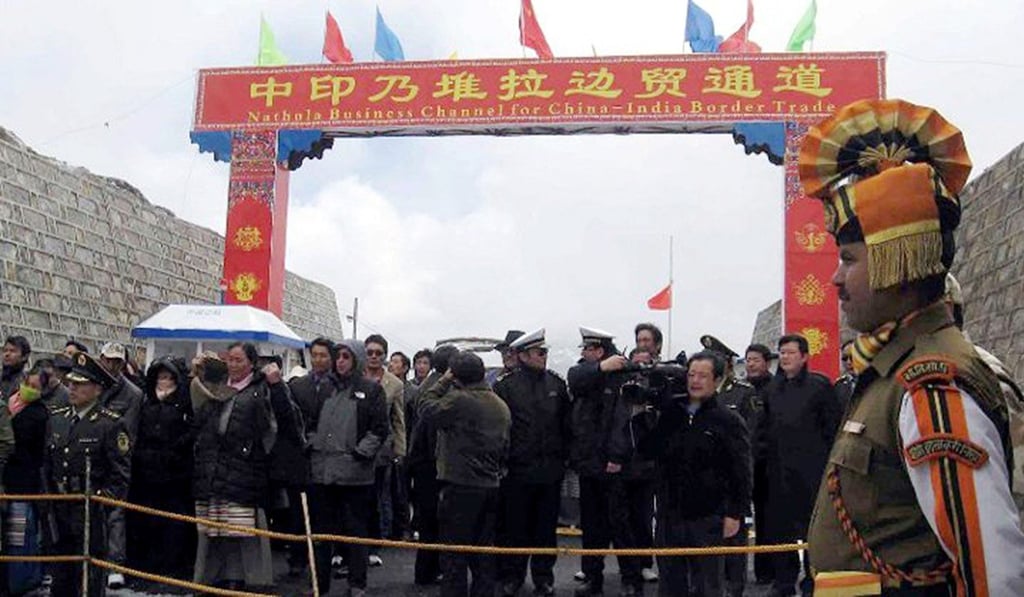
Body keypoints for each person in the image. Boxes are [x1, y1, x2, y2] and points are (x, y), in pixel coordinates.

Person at [798, 98, 1024, 595]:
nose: (836, 279)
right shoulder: (895, 371)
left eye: (849, 259)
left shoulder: (931, 381)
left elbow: (993, 569)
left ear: (896, 261)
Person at [635, 351, 751, 597]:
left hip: (709, 517)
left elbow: (741, 471)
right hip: (669, 514)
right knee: (670, 583)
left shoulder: (728, 420)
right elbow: (647, 451)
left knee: (707, 584)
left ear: (717, 380)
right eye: (691, 375)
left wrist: (734, 513)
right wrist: (640, 417)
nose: (695, 381)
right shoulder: (672, 413)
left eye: (703, 376)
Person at [568, 327, 655, 597]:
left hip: (615, 464)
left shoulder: (623, 375)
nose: (583, 353)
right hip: (589, 462)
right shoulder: (588, 373)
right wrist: (600, 368)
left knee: (622, 524)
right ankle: (592, 576)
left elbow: (624, 419)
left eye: (588, 349)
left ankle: (631, 577)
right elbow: (575, 378)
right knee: (592, 525)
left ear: (599, 350)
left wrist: (616, 456)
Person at [418, 351, 511, 597]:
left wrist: (443, 380)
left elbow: (425, 407)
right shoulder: (500, 405)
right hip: (490, 484)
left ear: (457, 376)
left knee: (454, 554)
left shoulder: (459, 400)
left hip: (460, 485)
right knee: (483, 552)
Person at [757, 334, 840, 596]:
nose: (785, 358)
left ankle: (813, 580)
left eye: (791, 353)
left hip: (812, 472)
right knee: (780, 531)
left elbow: (833, 430)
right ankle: (783, 581)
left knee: (812, 533)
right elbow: (763, 430)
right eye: (781, 353)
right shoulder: (771, 390)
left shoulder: (820, 387)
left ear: (804, 357)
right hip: (779, 472)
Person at [191, 344, 278, 591]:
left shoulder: (260, 390)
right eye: (230, 360)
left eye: (239, 360)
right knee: (214, 529)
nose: (233, 365)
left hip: (245, 467)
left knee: (241, 529)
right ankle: (215, 576)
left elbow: (269, 431)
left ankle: (246, 578)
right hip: (212, 465)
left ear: (251, 362)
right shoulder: (215, 387)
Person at [44, 352, 131, 597]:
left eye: (80, 385)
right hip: (60, 505)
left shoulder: (110, 424)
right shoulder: (58, 418)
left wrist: (102, 501)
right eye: (71, 383)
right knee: (61, 574)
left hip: (90, 508)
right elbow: (48, 464)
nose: (72, 388)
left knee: (88, 576)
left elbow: (120, 475)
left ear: (97, 389)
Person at [308, 339, 389, 597]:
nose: (340, 361)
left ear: (356, 360)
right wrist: (311, 443)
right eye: (338, 356)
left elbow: (379, 429)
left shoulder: (372, 390)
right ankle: (319, 585)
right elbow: (310, 422)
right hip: (323, 472)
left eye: (346, 356)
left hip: (355, 475)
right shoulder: (324, 388)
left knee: (355, 532)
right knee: (322, 534)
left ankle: (357, 583)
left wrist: (360, 454)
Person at [493, 329, 571, 597]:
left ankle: (543, 577)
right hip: (517, 469)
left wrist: (564, 458)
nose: (544, 357)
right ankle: (512, 576)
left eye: (546, 352)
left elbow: (566, 425)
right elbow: (499, 429)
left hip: (550, 470)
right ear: (523, 355)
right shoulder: (505, 386)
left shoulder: (557, 385)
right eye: (540, 352)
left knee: (545, 529)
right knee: (514, 527)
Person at [127, 356, 196, 580]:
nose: (163, 382)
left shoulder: (184, 403)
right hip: (146, 472)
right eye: (160, 377)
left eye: (168, 377)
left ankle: (173, 564)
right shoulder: (147, 402)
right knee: (147, 520)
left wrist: (174, 452)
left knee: (174, 521)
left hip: (175, 473)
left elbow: (191, 432)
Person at [700, 335, 757, 597]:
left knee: (733, 538)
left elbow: (750, 437)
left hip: (731, 476)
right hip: (702, 477)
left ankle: (734, 589)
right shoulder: (698, 392)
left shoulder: (744, 393)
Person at [407, 344, 459, 586]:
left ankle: (424, 571)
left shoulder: (427, 385)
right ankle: (431, 570)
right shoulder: (442, 389)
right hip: (433, 464)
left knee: (428, 520)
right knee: (436, 520)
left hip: (422, 462)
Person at [95, 342, 143, 589]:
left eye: (116, 361)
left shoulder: (133, 394)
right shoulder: (92, 384)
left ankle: (115, 565)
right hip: (90, 455)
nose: (111, 365)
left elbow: (129, 433)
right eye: (107, 359)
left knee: (115, 513)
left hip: (117, 459)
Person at [3, 363, 51, 595]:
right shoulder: (12, 405)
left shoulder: (39, 414)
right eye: (26, 384)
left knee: (19, 536)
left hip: (23, 482)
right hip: (9, 481)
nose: (27, 389)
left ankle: (22, 581)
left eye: (33, 386)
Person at [743, 343, 775, 585]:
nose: (751, 364)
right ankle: (734, 571)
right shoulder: (740, 390)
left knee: (767, 521)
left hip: (767, 466)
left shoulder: (776, 388)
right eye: (748, 359)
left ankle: (767, 571)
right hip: (742, 466)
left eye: (755, 359)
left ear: (766, 362)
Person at [1, 335, 31, 400]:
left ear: (24, 357)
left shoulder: (27, 383)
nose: (7, 354)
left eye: (12, 351)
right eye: (5, 350)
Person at [834, 341, 856, 414]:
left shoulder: (875, 384)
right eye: (845, 358)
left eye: (853, 357)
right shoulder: (839, 386)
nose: (849, 362)